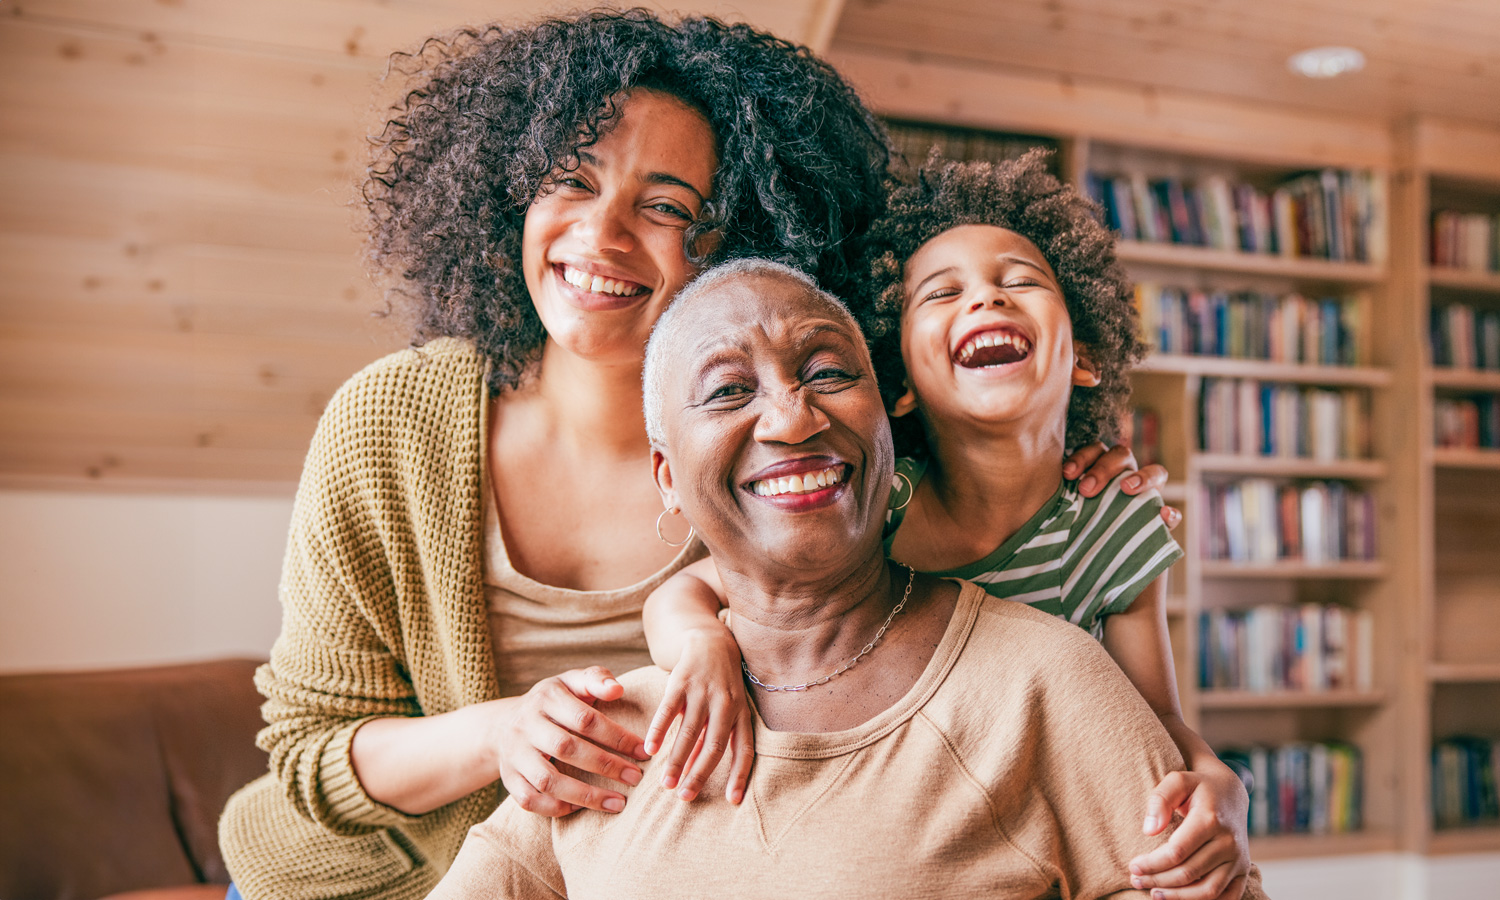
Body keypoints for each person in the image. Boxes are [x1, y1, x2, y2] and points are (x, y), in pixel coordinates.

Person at [218, 12, 1155, 899]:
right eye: (572, 181)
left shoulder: (809, 454)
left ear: (740, 236)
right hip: (366, 875)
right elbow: (309, 752)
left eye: (664, 205)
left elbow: (996, 501)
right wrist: (509, 733)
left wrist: (1092, 475)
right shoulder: (394, 422)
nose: (601, 235)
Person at [427, 259, 1266, 900]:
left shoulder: (1040, 683)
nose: (793, 417)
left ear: (887, 424)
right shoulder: (601, 740)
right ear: (668, 481)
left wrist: (1220, 785)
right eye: (727, 390)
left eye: (830, 372)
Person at [642, 152, 1249, 900]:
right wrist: (702, 645)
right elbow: (687, 593)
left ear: (1084, 355)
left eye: (1020, 280)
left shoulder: (1116, 524)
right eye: (943, 292)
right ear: (894, 385)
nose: (988, 300)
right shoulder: (874, 503)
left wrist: (1222, 783)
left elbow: (1155, 718)